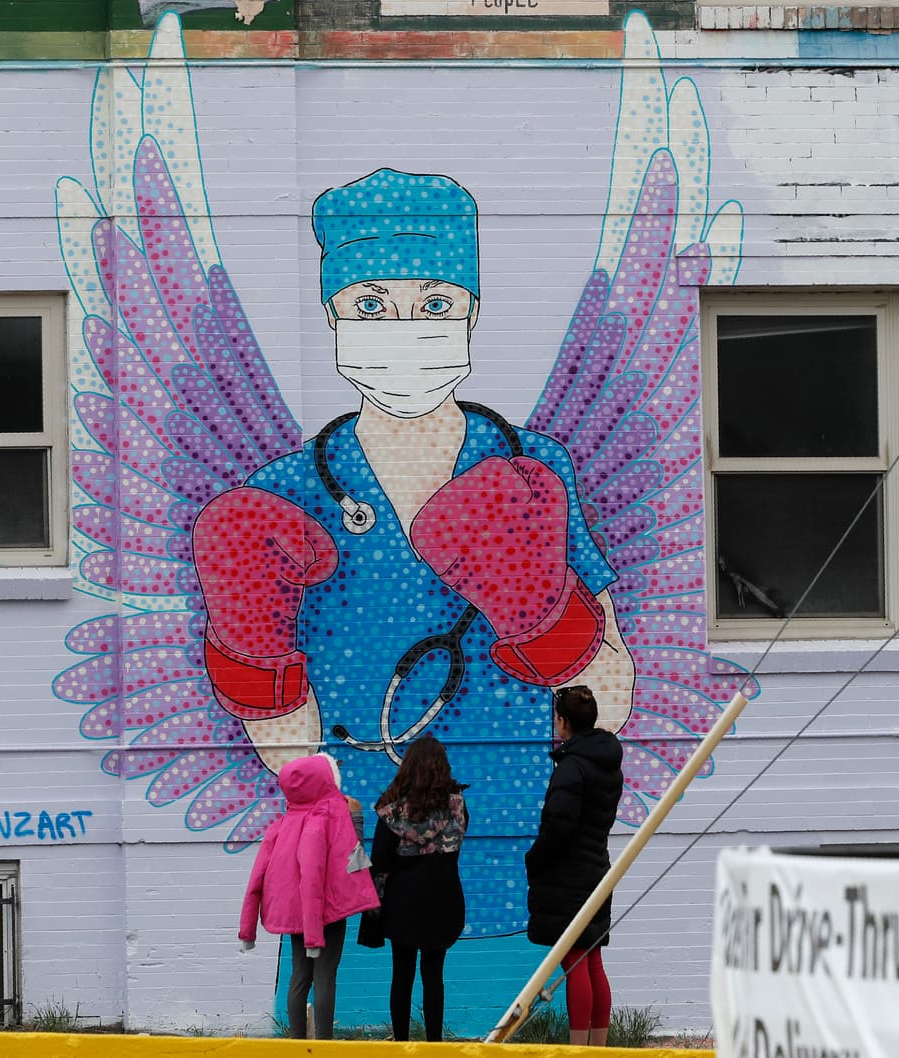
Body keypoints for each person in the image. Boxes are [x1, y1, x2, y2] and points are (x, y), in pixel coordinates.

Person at [192, 167, 635, 939]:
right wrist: (253, 658)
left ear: (471, 312)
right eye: (372, 306)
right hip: (356, 876)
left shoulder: (534, 472)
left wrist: (547, 615)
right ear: (333, 315)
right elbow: (287, 755)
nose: (405, 328)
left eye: (435, 303)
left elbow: (612, 699)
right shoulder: (285, 495)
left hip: (522, 869)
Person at [238, 753, 379, 1039]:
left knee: (299, 976)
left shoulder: (285, 821)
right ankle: (324, 1045)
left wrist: (247, 929)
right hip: (330, 908)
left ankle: (296, 1042)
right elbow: (355, 850)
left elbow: (260, 875)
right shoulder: (340, 810)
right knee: (325, 975)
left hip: (295, 911)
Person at [525, 685, 623, 1046]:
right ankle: (597, 1047)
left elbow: (558, 827)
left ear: (564, 722)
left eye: (557, 717)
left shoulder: (572, 767)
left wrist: (535, 859)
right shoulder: (607, 764)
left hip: (570, 875)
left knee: (575, 961)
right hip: (597, 867)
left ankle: (578, 1049)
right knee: (592, 959)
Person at [368, 735, 468, 1042]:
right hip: (444, 897)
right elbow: (455, 849)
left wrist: (374, 907)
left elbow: (380, 861)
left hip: (403, 900)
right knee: (434, 975)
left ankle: (401, 1044)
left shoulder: (391, 813)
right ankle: (434, 1045)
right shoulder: (458, 806)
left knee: (402, 975)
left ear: (408, 767)